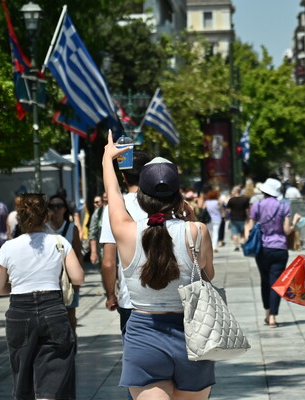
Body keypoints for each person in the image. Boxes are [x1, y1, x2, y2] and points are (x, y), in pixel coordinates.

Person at [102, 131, 215, 399]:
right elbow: (207, 275)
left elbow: (113, 194)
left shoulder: (126, 232)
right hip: (192, 334)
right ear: (179, 195)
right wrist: (191, 220)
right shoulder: (197, 231)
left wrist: (108, 159)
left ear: (141, 196)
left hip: (144, 335)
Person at [0, 193, 84, 400]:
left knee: (23, 377)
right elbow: (77, 278)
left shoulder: (8, 247)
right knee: (52, 375)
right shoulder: (59, 242)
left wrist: (17, 285)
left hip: (19, 311)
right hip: (53, 308)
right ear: (45, 216)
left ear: (21, 218)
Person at [100, 151, 152, 333]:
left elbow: (108, 260)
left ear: (123, 177)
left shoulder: (114, 209)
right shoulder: (165, 203)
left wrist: (110, 294)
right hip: (169, 298)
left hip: (131, 298)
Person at [248, 178, 300, 327]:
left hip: (262, 249)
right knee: (277, 283)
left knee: (265, 282)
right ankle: (273, 317)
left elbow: (251, 228)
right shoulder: (284, 207)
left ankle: (266, 312)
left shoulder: (256, 206)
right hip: (280, 248)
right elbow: (286, 230)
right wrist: (295, 222)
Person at [46, 194, 82, 330]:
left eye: (59, 206)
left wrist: (77, 281)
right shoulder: (44, 229)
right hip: (49, 278)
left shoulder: (72, 228)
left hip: (68, 277)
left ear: (65, 209)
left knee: (70, 314)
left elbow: (78, 255)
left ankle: (71, 341)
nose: (56, 209)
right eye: (52, 206)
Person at [226, 186, 249, 251]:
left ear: (235, 192)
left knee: (234, 233)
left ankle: (236, 247)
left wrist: (227, 216)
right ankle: (242, 242)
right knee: (242, 232)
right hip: (242, 218)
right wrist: (248, 217)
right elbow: (247, 210)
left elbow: (227, 210)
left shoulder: (231, 200)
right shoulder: (244, 200)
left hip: (234, 218)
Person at [88, 194, 105, 265]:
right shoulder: (98, 213)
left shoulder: (119, 209)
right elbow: (92, 233)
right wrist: (93, 252)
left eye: (97, 202)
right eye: (95, 202)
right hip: (103, 250)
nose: (95, 204)